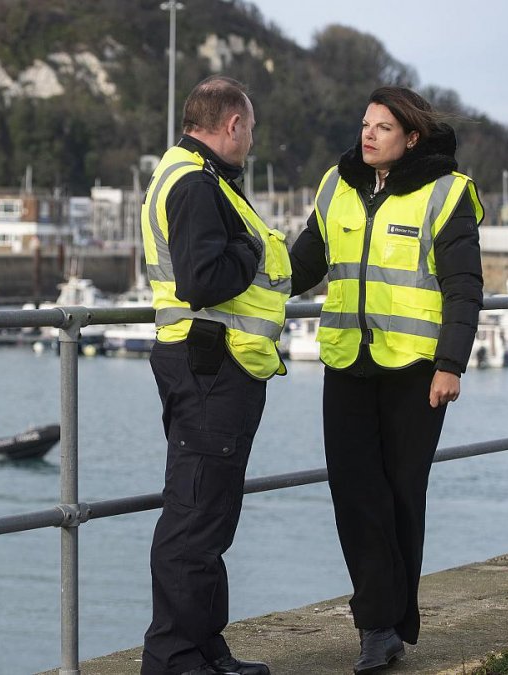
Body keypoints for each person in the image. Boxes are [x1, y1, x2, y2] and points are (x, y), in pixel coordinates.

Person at [288, 86, 484, 673]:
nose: (368, 135)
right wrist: (245, 275)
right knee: (354, 493)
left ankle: (393, 623)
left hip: (416, 370)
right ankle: (379, 624)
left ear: (412, 138)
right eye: (365, 124)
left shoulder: (446, 194)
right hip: (347, 362)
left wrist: (451, 364)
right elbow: (302, 265)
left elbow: (463, 287)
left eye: (383, 128)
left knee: (401, 495)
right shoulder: (335, 186)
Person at [139, 75, 290, 675]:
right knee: (195, 517)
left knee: (210, 515)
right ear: (231, 124)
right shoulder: (199, 185)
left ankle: (205, 648)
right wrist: (253, 251)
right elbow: (201, 280)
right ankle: (175, 656)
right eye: (249, 129)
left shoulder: (189, 176)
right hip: (208, 364)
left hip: (212, 362)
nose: (251, 141)